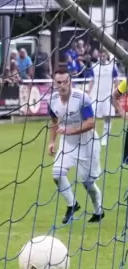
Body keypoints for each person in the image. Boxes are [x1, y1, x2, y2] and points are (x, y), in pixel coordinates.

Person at [49, 69, 104, 224]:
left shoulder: (81, 98)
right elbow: (54, 122)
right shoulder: (52, 100)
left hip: (88, 144)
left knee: (87, 183)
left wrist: (70, 130)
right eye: (58, 82)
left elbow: (91, 122)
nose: (62, 85)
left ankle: (98, 211)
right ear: (55, 83)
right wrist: (52, 141)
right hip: (67, 144)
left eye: (65, 81)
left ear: (70, 81)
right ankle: (72, 204)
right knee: (57, 173)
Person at [88, 50, 118, 146]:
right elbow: (91, 80)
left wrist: (116, 92)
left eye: (104, 56)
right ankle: (93, 136)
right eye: (100, 56)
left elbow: (116, 80)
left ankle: (104, 138)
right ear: (98, 57)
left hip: (108, 96)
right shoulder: (94, 67)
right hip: (96, 96)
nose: (102, 57)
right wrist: (88, 92)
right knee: (91, 116)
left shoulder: (112, 67)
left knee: (107, 117)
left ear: (106, 56)